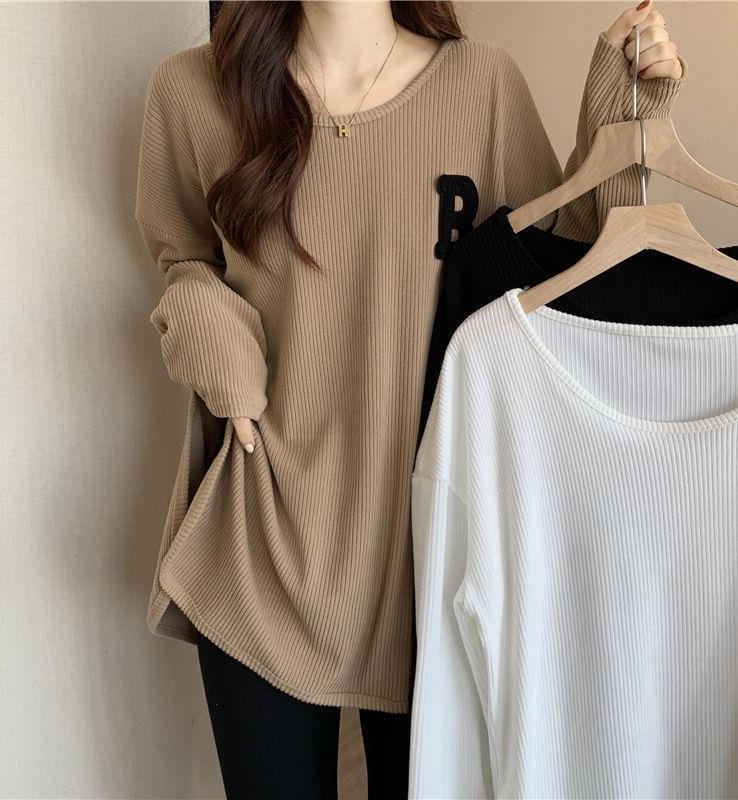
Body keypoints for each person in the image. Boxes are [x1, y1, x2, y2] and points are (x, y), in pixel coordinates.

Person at [134, 1, 686, 797]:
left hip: (436, 554)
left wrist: (620, 113)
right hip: (263, 540)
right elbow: (181, 249)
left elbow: (561, 274)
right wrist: (197, 308)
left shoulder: (482, 84)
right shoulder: (193, 90)